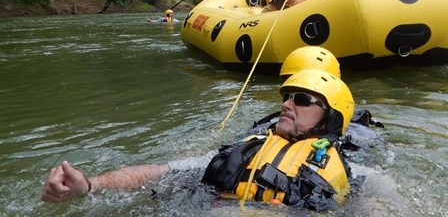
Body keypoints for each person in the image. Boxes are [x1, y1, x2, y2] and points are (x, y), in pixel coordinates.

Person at [42, 69, 355, 211]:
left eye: (300, 99)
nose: (286, 104)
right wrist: (90, 185)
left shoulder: (344, 174)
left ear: (330, 117)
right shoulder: (248, 149)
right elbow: (159, 172)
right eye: (286, 97)